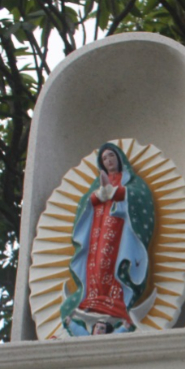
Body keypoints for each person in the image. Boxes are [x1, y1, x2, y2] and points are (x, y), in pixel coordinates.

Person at [60, 142, 154, 336]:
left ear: (119, 158)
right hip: (98, 229)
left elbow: (140, 199)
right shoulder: (98, 183)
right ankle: (93, 299)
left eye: (111, 156)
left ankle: (116, 302)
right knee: (96, 263)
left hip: (121, 231)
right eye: (104, 159)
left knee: (112, 263)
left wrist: (118, 193)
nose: (109, 161)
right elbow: (86, 203)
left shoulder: (131, 182)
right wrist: (99, 195)